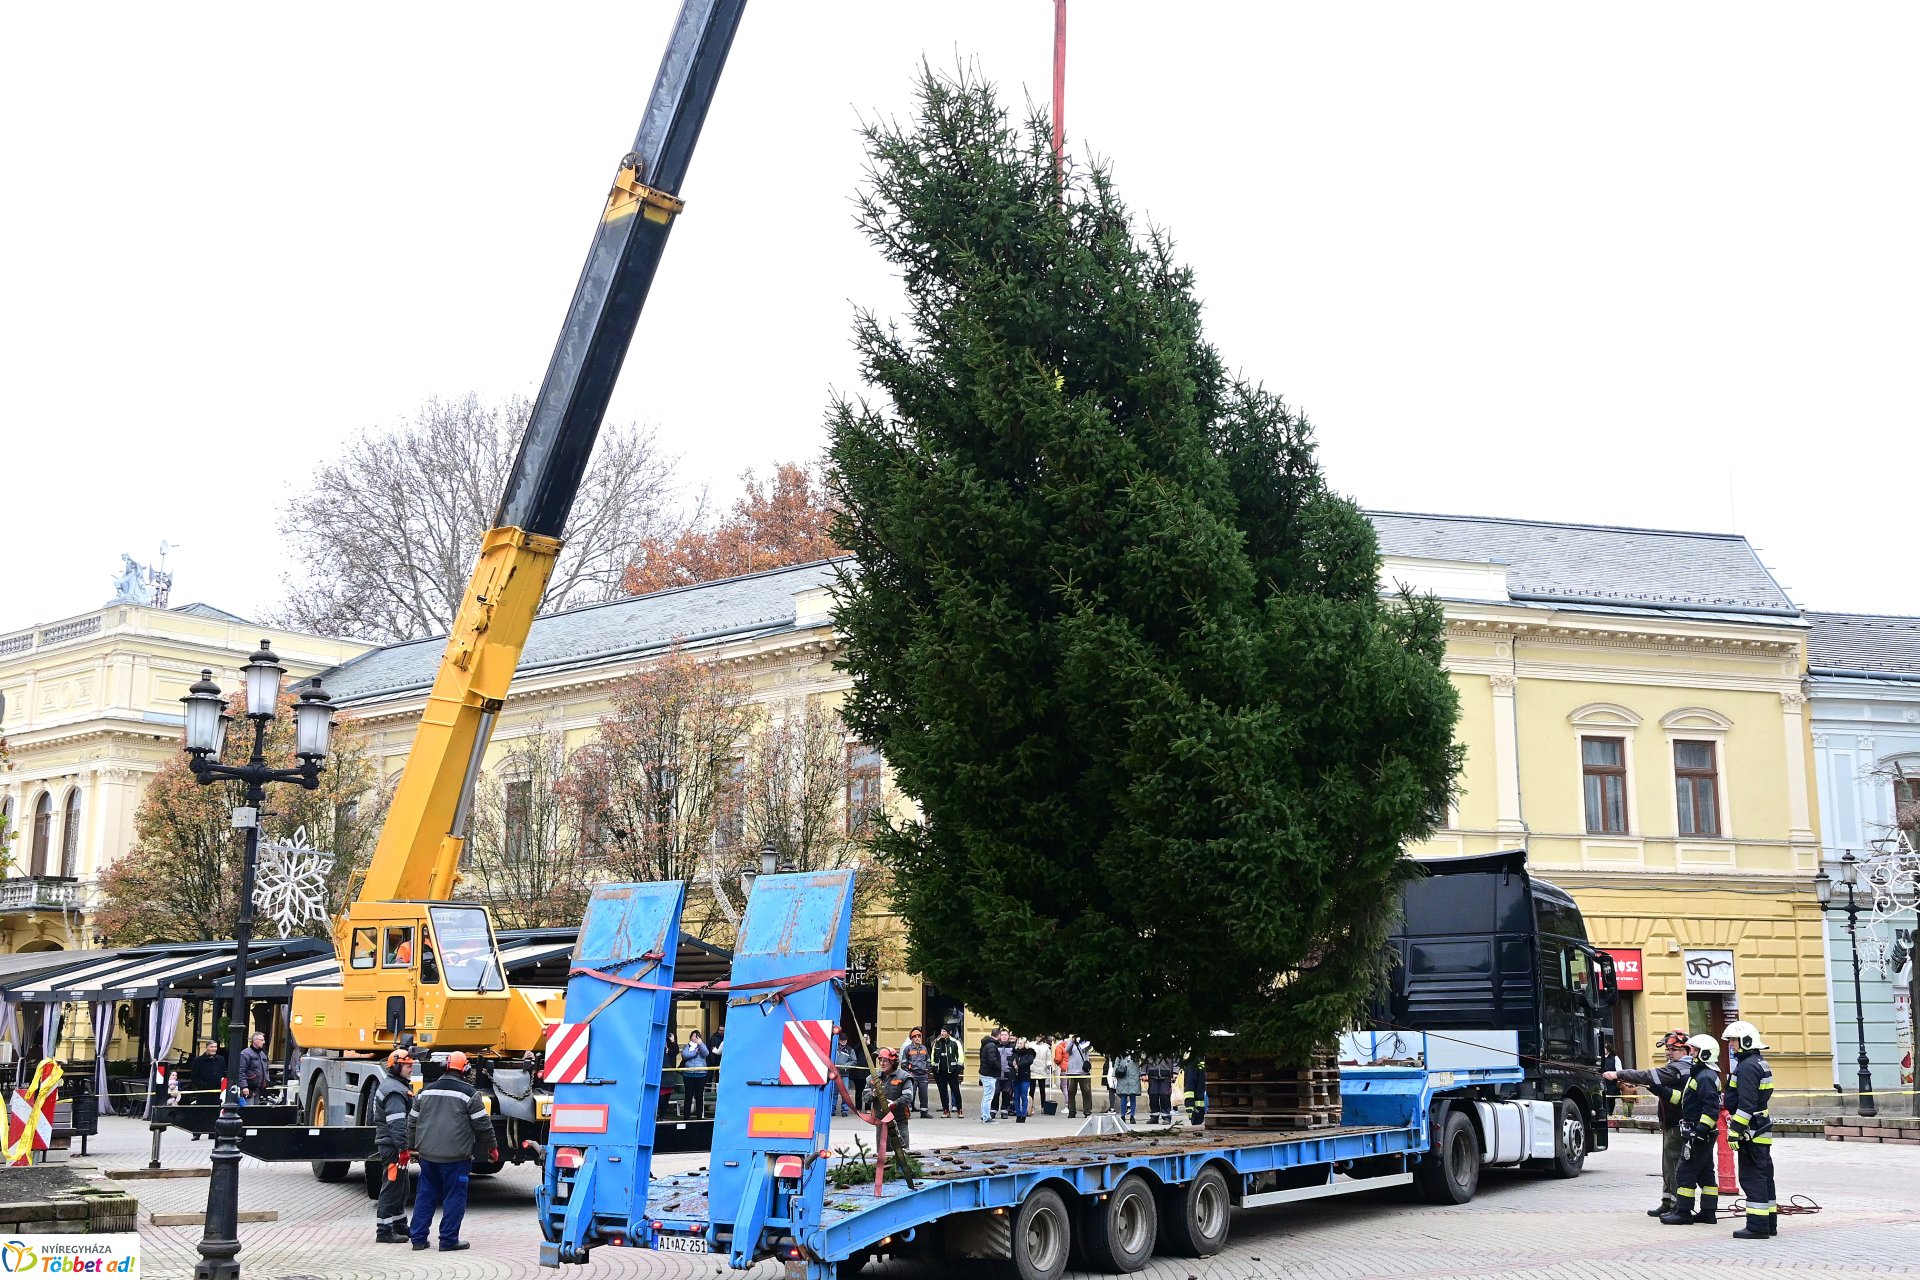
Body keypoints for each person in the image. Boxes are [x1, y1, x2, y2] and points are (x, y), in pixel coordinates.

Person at [407, 1051, 496, 1252]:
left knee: (425, 1197)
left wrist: (411, 1146)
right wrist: (491, 1148)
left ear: (444, 1067)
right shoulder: (470, 1094)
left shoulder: (425, 1092)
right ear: (465, 1069)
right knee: (454, 1198)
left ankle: (418, 1240)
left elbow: (412, 1122)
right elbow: (483, 1125)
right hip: (456, 1159)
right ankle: (448, 1240)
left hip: (428, 1157)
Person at [1604, 1028, 1691, 1217]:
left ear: (1684, 1051)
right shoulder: (1679, 1068)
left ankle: (1678, 1206)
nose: (1668, 1053)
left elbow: (1649, 1076)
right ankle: (1668, 1202)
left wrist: (1619, 1074)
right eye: (1667, 1049)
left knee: (1675, 1165)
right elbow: (1659, 1086)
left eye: (1672, 1049)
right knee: (1667, 1165)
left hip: (1677, 1124)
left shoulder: (1679, 1068)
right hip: (1671, 1123)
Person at [1722, 1020, 1778, 1240]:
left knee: (1752, 1177)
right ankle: (1769, 1223)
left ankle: (1757, 1226)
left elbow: (1746, 1104)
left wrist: (1735, 1131)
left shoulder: (1746, 1067)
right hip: (1760, 1128)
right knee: (1765, 1177)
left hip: (1751, 1131)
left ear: (1746, 1040)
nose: (1731, 1045)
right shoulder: (1759, 1063)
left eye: (1734, 1040)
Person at [1660, 1035, 1722, 1227]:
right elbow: (1684, 1099)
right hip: (1702, 1132)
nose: (1691, 1053)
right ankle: (1708, 1212)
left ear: (1705, 1053)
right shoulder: (1702, 1074)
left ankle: (1684, 1212)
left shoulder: (1704, 1077)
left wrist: (1700, 1130)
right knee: (1706, 1173)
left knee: (1685, 1172)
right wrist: (1659, 1089)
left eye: (1694, 1050)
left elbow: (1711, 1108)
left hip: (1699, 1132)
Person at [372, 1049, 415, 1245]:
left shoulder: (395, 1085)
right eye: (407, 1065)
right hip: (392, 1147)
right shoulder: (395, 1091)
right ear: (396, 1066)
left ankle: (399, 1226)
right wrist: (402, 1148)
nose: (411, 1068)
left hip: (392, 1145)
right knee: (391, 1187)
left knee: (401, 1187)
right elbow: (397, 1124)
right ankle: (384, 1231)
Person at [874, 1046, 913, 1152]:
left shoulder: (904, 1077)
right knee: (883, 1158)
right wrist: (872, 1094)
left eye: (885, 1061)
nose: (882, 1063)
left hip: (899, 1121)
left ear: (893, 1062)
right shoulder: (874, 1078)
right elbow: (865, 1097)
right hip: (881, 1123)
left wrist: (894, 1104)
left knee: (903, 1155)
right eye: (880, 1060)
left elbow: (908, 1096)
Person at [186, 1041, 225, 1139]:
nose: (214, 1049)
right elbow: (194, 1076)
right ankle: (197, 1133)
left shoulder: (220, 1059)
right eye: (212, 1047)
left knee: (215, 1111)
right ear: (207, 1047)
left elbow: (224, 1072)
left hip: (217, 1090)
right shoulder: (198, 1060)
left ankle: (212, 1132)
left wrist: (222, 1083)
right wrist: (202, 1085)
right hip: (204, 1091)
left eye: (215, 1047)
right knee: (201, 1111)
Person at [1058, 1034, 1093, 1119]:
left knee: (1086, 1091)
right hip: (1072, 1072)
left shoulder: (1084, 1042)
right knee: (1071, 1091)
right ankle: (1072, 1111)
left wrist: (1081, 1040)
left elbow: (1087, 1047)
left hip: (1083, 1072)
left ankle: (1087, 1111)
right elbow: (1067, 1050)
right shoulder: (1070, 1043)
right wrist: (1072, 1041)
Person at [931, 1027, 963, 1117]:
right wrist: (933, 1067)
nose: (942, 1033)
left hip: (952, 1071)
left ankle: (959, 1110)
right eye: (941, 1031)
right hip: (940, 1071)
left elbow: (960, 1055)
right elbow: (933, 1055)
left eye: (944, 1031)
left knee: (956, 1091)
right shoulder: (937, 1043)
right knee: (942, 1092)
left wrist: (958, 1067)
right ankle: (946, 1110)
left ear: (950, 1032)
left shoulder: (955, 1042)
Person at [900, 1027, 932, 1118]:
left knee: (924, 1095)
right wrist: (908, 1073)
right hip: (912, 1075)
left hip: (923, 1075)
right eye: (915, 1037)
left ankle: (924, 1112)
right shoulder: (908, 1048)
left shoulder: (924, 1048)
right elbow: (904, 1063)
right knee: (910, 1095)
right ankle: (907, 1112)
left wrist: (928, 1070)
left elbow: (928, 1060)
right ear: (912, 1038)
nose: (917, 1038)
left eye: (919, 1036)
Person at [680, 1031, 711, 1120]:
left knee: (699, 1096)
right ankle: (686, 1117)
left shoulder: (702, 1045)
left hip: (700, 1074)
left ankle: (699, 1117)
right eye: (693, 1036)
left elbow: (706, 1053)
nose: (695, 1038)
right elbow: (684, 1055)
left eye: (697, 1037)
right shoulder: (687, 1046)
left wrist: (700, 1044)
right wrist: (694, 1052)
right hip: (688, 1075)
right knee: (688, 1096)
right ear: (690, 1037)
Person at [976, 1027, 1004, 1122]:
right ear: (998, 1035)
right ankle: (986, 1117)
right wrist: (999, 1067)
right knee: (988, 1097)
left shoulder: (986, 1044)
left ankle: (985, 1115)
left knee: (986, 1096)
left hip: (985, 1072)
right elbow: (992, 1060)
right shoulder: (991, 1045)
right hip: (989, 1074)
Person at [238, 1031, 272, 1105]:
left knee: (255, 1111)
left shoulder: (262, 1054)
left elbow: (266, 1070)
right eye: (261, 1040)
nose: (263, 1042)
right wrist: (244, 1087)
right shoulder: (245, 1053)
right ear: (255, 1040)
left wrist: (267, 1081)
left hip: (259, 1089)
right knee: (248, 1111)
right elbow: (241, 1071)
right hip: (249, 1088)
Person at [1145, 1054, 1178, 1124]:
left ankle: (1166, 1117)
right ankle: (1154, 1116)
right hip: (1152, 1075)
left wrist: (1175, 1072)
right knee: (1153, 1097)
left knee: (1165, 1097)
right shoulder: (1149, 1047)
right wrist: (1143, 1073)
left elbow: (1175, 1060)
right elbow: (1144, 1060)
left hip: (1165, 1075)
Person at [1111, 1050, 1141, 1123]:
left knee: (1132, 1097)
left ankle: (1132, 1116)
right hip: (1123, 1077)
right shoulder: (1121, 1052)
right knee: (1123, 1097)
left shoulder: (1137, 1052)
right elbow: (1117, 1062)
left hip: (1134, 1078)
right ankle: (1123, 1116)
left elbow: (1141, 1060)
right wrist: (1115, 1073)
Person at [1011, 1038, 1036, 1123]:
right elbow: (1010, 1061)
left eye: (1021, 1043)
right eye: (1018, 1043)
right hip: (1016, 1076)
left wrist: (1019, 1065)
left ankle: (1023, 1114)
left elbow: (1029, 1061)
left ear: (1025, 1043)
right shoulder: (1015, 1052)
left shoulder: (1029, 1052)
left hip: (1024, 1077)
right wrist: (1013, 1064)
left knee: (1024, 1096)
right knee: (1016, 1097)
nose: (1019, 1045)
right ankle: (1018, 1114)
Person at [832, 1026, 855, 1118]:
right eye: (841, 1040)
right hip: (835, 1074)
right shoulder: (834, 1048)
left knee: (844, 1093)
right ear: (839, 1040)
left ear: (847, 1040)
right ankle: (832, 1109)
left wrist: (846, 1067)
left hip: (844, 1075)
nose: (843, 1041)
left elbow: (854, 1061)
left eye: (844, 1040)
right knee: (834, 1093)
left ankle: (844, 1110)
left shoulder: (850, 1050)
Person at [1182, 1054, 1208, 1126]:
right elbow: (1189, 1085)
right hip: (1198, 1109)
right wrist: (1190, 1105)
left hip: (1204, 1106)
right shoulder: (1193, 1062)